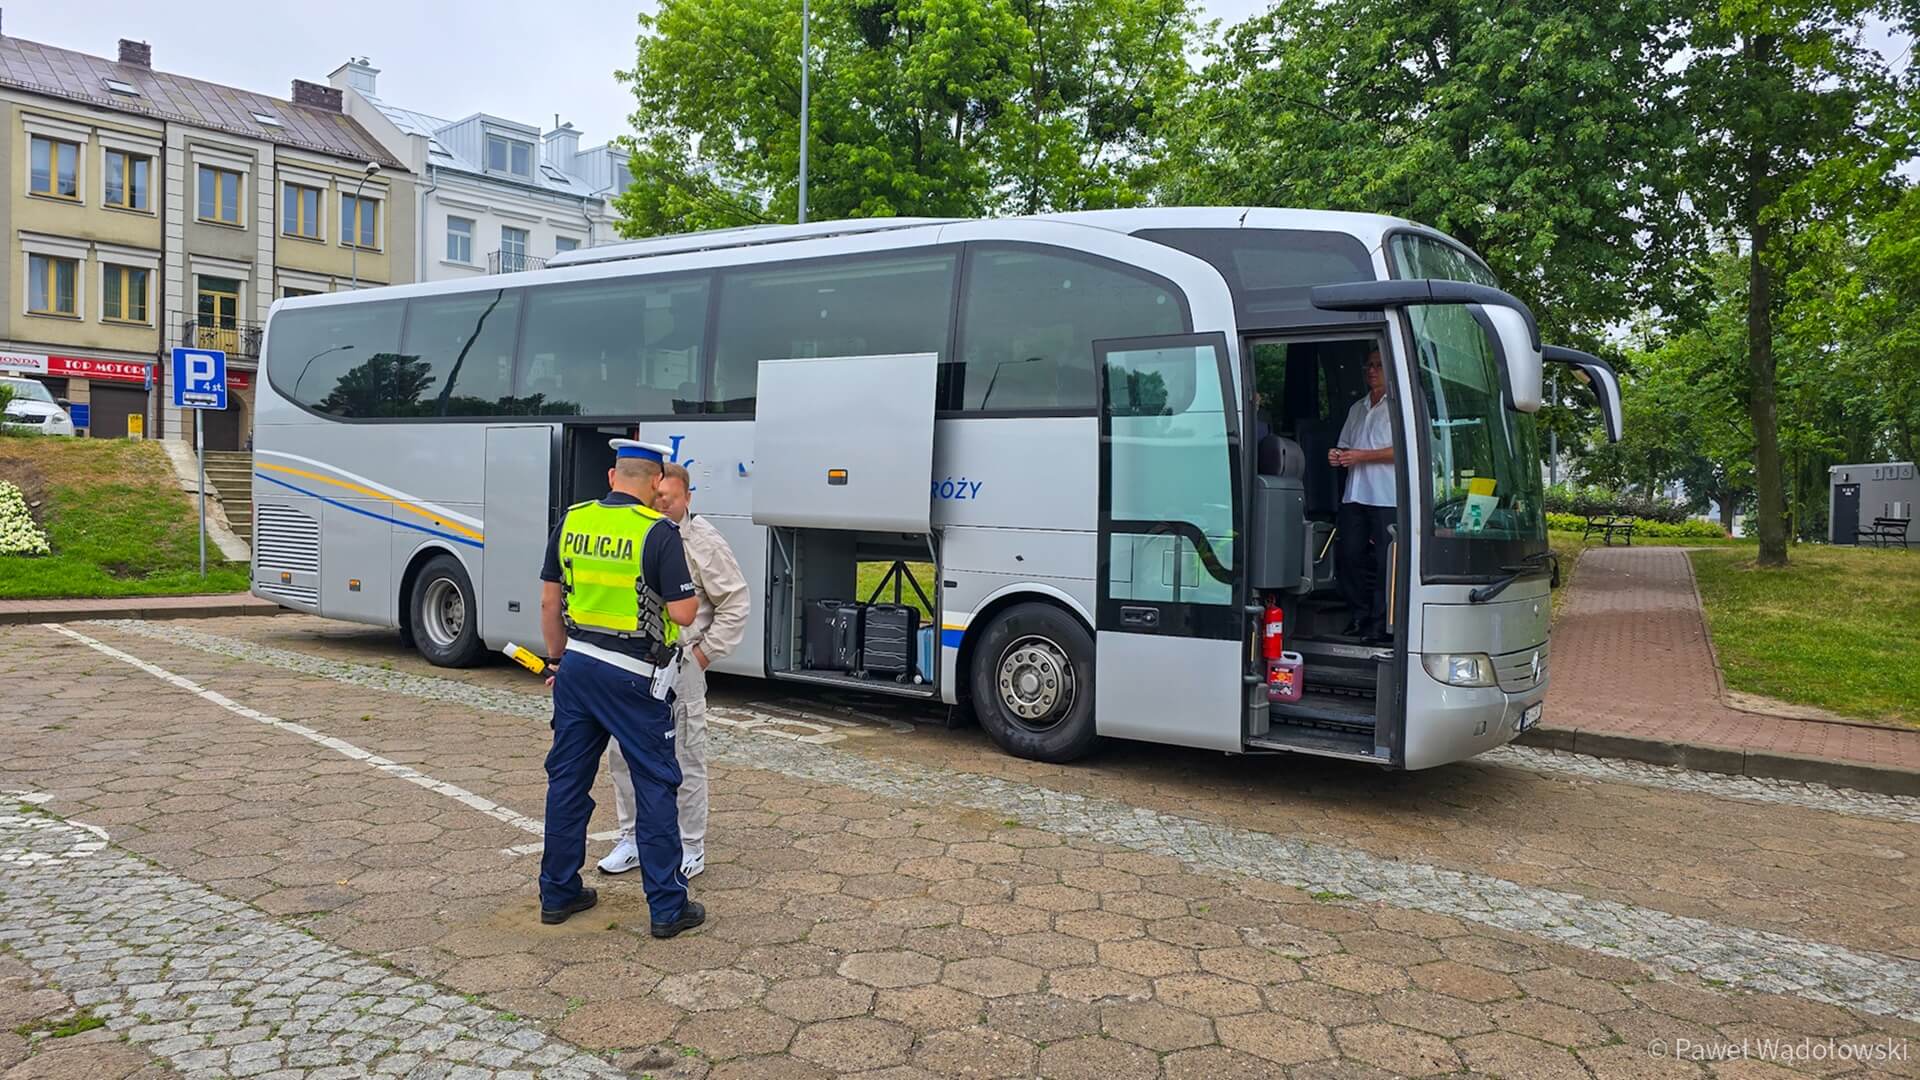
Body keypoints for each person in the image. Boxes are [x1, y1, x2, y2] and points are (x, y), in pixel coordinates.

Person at [536, 439, 705, 937]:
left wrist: (557, 659)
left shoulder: (573, 520)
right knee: (655, 783)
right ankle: (667, 908)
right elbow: (684, 613)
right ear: (656, 483)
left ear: (613, 477)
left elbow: (549, 602)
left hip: (578, 668)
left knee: (567, 782)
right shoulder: (658, 532)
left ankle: (558, 892)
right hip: (635, 676)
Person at [599, 462, 749, 881]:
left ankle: (690, 845)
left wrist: (704, 655)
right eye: (656, 495)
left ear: (686, 497)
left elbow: (735, 602)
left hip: (681, 663)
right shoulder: (637, 531)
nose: (661, 502)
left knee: (685, 757)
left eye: (669, 497)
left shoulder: (703, 542)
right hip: (631, 664)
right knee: (622, 755)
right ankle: (631, 839)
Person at [1329, 349, 1396, 643]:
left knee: (1385, 563)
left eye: (1379, 365)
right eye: (1368, 365)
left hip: (1386, 495)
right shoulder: (1357, 407)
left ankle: (1380, 625)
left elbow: (1403, 451)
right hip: (1354, 493)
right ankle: (1358, 615)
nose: (1372, 370)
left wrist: (1362, 456)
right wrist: (1337, 455)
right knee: (1348, 556)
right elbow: (1345, 446)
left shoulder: (1398, 405)